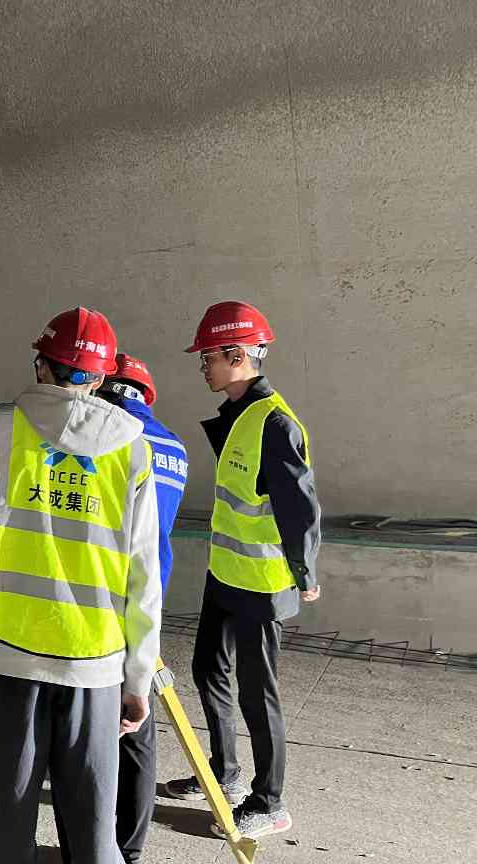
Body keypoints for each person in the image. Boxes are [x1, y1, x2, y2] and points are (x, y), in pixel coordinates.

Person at [0, 307, 162, 864]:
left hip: (5, 653)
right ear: (102, 377)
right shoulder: (132, 447)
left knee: (9, 820)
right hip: (95, 663)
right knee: (92, 825)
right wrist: (138, 676)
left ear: (43, 365)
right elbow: (143, 575)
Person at [164, 301, 321, 841]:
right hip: (226, 574)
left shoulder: (275, 422)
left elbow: (301, 506)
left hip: (262, 582)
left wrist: (305, 570)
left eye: (208, 356)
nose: (203, 366)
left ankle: (269, 801)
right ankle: (225, 774)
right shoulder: (239, 414)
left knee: (259, 693)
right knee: (209, 668)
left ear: (238, 354)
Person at [98, 354, 187, 864]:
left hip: (96, 604)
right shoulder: (174, 447)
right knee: (137, 725)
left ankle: (91, 848)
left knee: (86, 734)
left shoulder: (104, 438)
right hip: (147, 604)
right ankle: (129, 850)